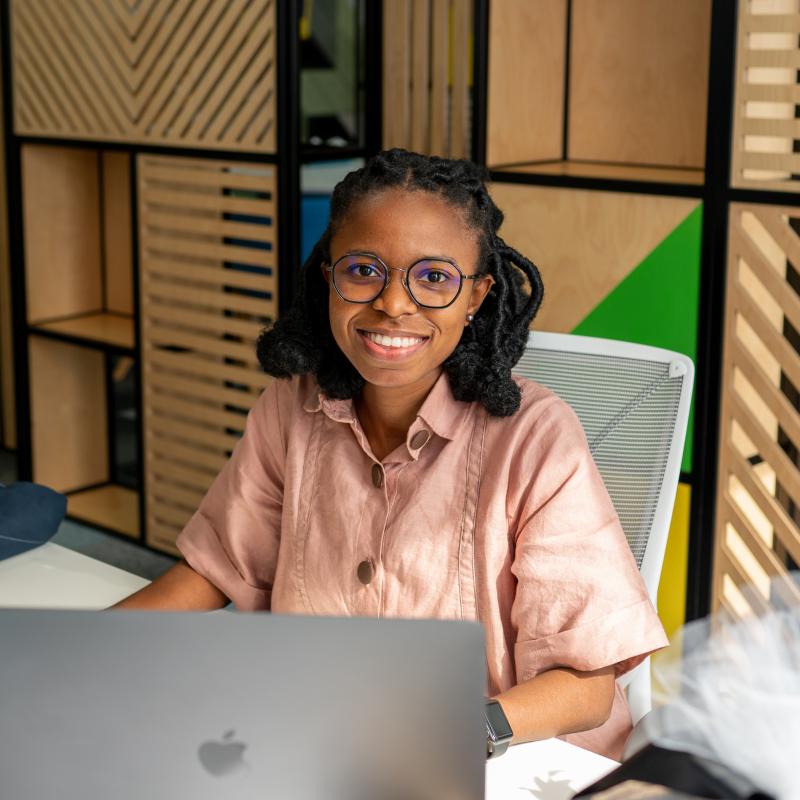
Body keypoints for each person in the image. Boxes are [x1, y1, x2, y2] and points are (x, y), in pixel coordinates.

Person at [115, 149, 667, 760]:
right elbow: (217, 567)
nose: (394, 304)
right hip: (326, 740)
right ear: (328, 277)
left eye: (434, 278)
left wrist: (448, 732)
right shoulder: (291, 407)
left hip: (503, 759)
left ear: (477, 296)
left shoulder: (537, 438)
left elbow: (586, 687)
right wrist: (80, 647)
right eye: (363, 270)